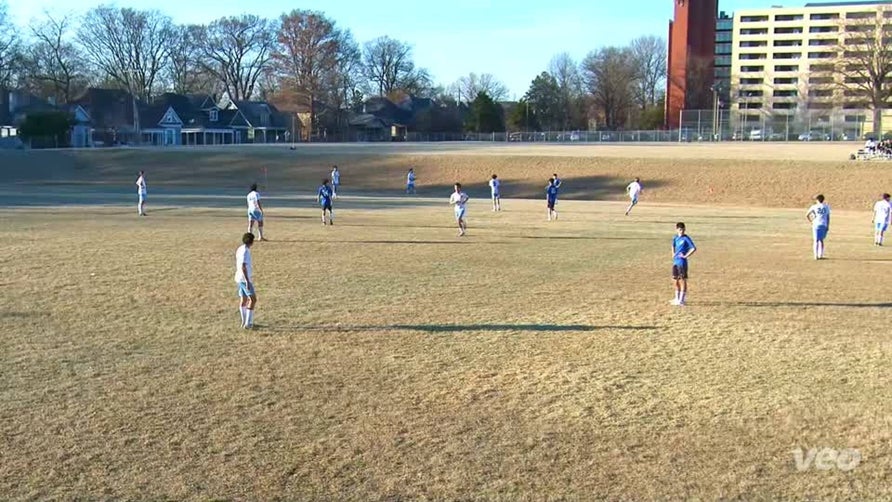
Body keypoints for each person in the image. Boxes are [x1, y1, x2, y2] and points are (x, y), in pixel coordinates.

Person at [671, 222, 697, 307]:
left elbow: (693, 248)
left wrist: (685, 256)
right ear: (677, 229)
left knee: (682, 280)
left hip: (682, 262)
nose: (681, 231)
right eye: (680, 229)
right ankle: (676, 298)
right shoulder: (675, 238)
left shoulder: (686, 238)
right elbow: (673, 246)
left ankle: (682, 300)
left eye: (683, 229)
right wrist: (673, 253)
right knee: (675, 280)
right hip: (675, 262)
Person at [235, 232, 257, 329]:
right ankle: (248, 323)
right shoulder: (245, 251)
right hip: (244, 279)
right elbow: (243, 266)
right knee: (253, 299)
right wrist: (247, 281)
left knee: (243, 300)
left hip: (239, 278)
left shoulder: (240, 248)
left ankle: (244, 321)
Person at [806, 194, 831, 260]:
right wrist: (828, 225)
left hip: (816, 224)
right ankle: (820, 255)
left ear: (817, 200)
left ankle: (815, 255)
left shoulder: (814, 206)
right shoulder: (826, 207)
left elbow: (807, 215)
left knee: (815, 240)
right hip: (824, 224)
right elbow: (828, 217)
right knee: (821, 240)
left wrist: (811, 221)